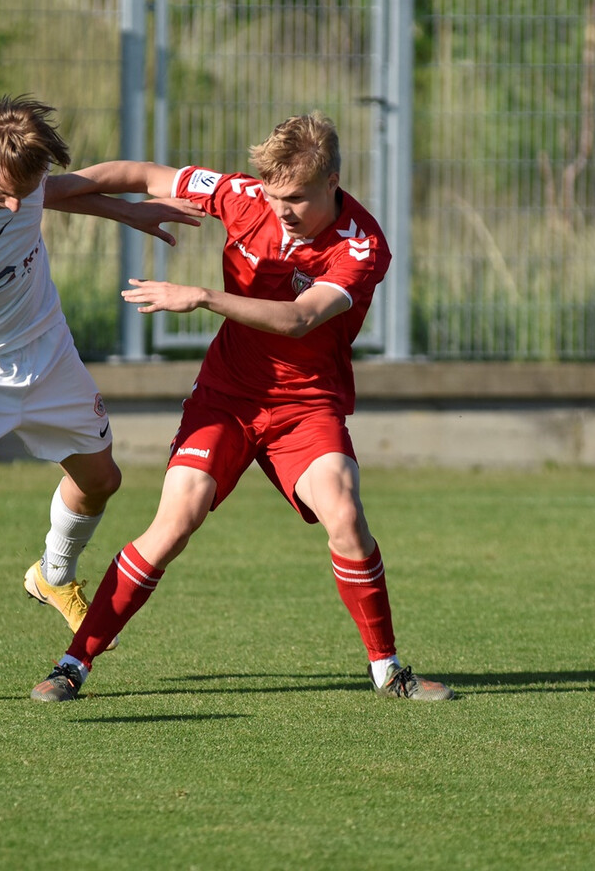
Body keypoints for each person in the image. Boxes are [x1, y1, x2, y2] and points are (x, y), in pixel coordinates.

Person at [31, 112, 454, 704]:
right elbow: (142, 174)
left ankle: (387, 670)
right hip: (227, 398)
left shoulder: (361, 243)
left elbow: (299, 319)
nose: (281, 209)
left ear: (334, 179)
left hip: (306, 406)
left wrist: (202, 296)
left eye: (298, 198)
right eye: (275, 194)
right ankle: (72, 665)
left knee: (345, 512)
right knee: (175, 522)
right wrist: (33, 189)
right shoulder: (244, 196)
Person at [0, 95, 204, 705]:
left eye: (22, 193)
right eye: (3, 194)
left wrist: (126, 213)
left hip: (45, 347)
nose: (14, 205)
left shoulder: (19, 171)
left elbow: (50, 193)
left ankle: (53, 576)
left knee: (101, 478)